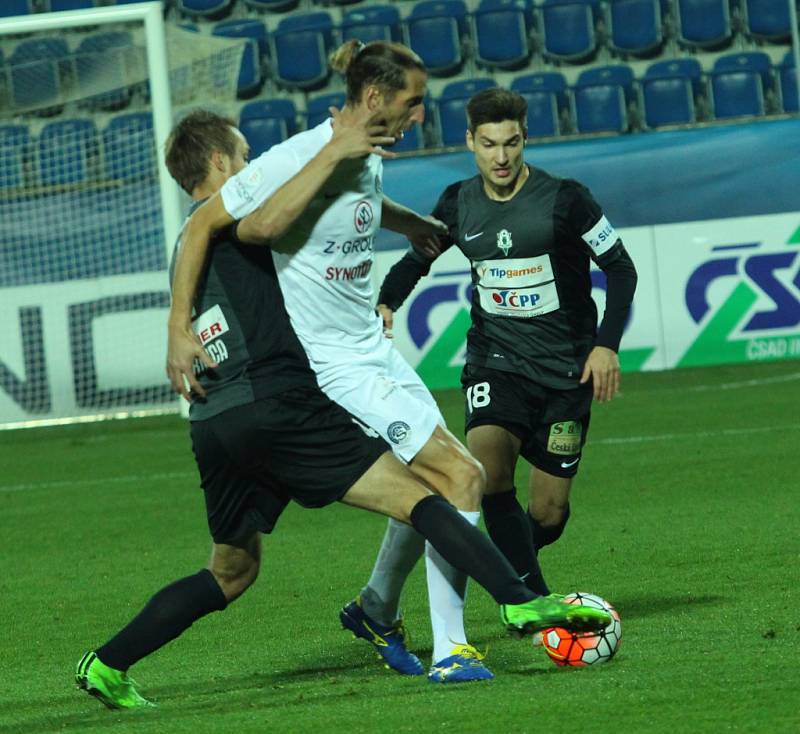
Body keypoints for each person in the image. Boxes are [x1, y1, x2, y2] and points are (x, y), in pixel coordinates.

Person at [75, 109, 611, 710]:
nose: (255, 166)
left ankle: (107, 663)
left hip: (213, 422)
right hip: (277, 407)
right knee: (429, 493)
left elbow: (328, 200)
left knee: (232, 570)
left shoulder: (187, 244)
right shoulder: (239, 218)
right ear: (223, 163)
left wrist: (406, 221)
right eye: (246, 155)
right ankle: (513, 598)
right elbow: (301, 197)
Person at [376, 87, 638, 632]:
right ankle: (529, 600)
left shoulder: (566, 199)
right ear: (470, 142)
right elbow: (416, 259)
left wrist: (605, 343)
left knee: (548, 514)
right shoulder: (456, 202)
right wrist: (386, 301)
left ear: (525, 139)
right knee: (486, 472)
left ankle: (513, 564)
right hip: (495, 363)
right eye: (489, 144)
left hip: (566, 371)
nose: (501, 157)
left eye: (512, 143)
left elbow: (620, 267)